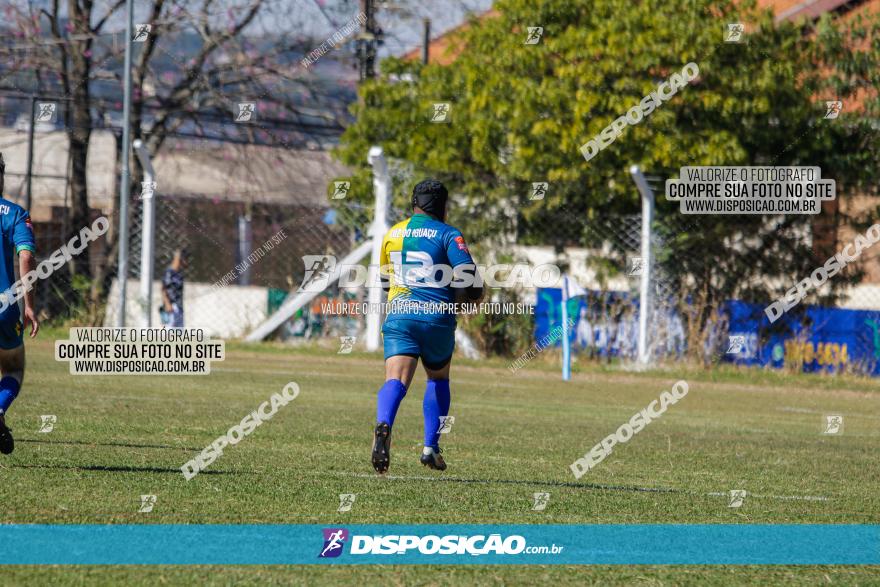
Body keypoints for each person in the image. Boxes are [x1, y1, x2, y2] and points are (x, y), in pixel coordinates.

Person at [370, 179, 482, 474]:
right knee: (437, 378)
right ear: (444, 206)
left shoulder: (393, 233)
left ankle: (384, 424)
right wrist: (470, 298)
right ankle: (430, 448)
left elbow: (385, 282)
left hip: (400, 317)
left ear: (414, 204)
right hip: (437, 318)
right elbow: (470, 281)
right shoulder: (449, 234)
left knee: (395, 380)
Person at [0, 152, 40, 455]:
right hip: (5, 306)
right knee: (13, 369)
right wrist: (29, 305)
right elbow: (25, 256)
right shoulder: (14, 213)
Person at [160, 249, 186, 328]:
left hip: (179, 306)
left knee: (179, 334)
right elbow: (163, 289)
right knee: (168, 332)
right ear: (178, 258)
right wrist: (167, 303)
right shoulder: (169, 272)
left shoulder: (180, 274)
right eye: (184, 258)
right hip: (170, 307)